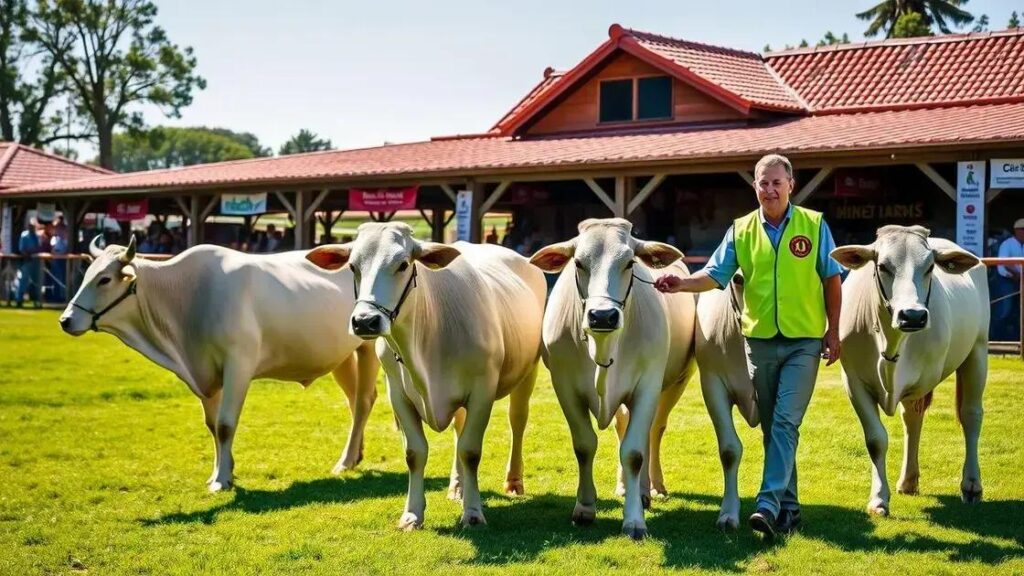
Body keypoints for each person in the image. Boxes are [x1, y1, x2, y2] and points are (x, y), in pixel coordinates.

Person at [654, 153, 842, 539]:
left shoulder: (814, 225)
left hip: (803, 341)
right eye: (762, 183)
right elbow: (715, 274)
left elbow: (832, 279)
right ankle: (789, 510)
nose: (769, 189)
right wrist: (680, 285)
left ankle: (767, 504)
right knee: (775, 427)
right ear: (754, 187)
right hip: (758, 342)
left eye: (776, 182)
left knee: (786, 421)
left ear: (791, 184)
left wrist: (833, 331)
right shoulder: (741, 230)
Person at [994, 218, 1024, 341]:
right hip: (1008, 280)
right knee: (1005, 310)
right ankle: (996, 340)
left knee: (1020, 312)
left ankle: (1018, 340)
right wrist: (1016, 275)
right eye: (1022, 229)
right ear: (1016, 230)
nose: (1023, 232)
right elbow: (1003, 265)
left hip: (1022, 280)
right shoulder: (1007, 244)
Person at [15, 220, 44, 307]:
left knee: (36, 282)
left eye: (33, 226)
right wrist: (27, 256)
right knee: (24, 281)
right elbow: (22, 249)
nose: (32, 227)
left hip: (36, 261)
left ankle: (36, 301)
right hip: (27, 261)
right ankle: (19, 300)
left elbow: (39, 247)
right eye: (30, 225)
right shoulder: (24, 235)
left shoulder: (37, 236)